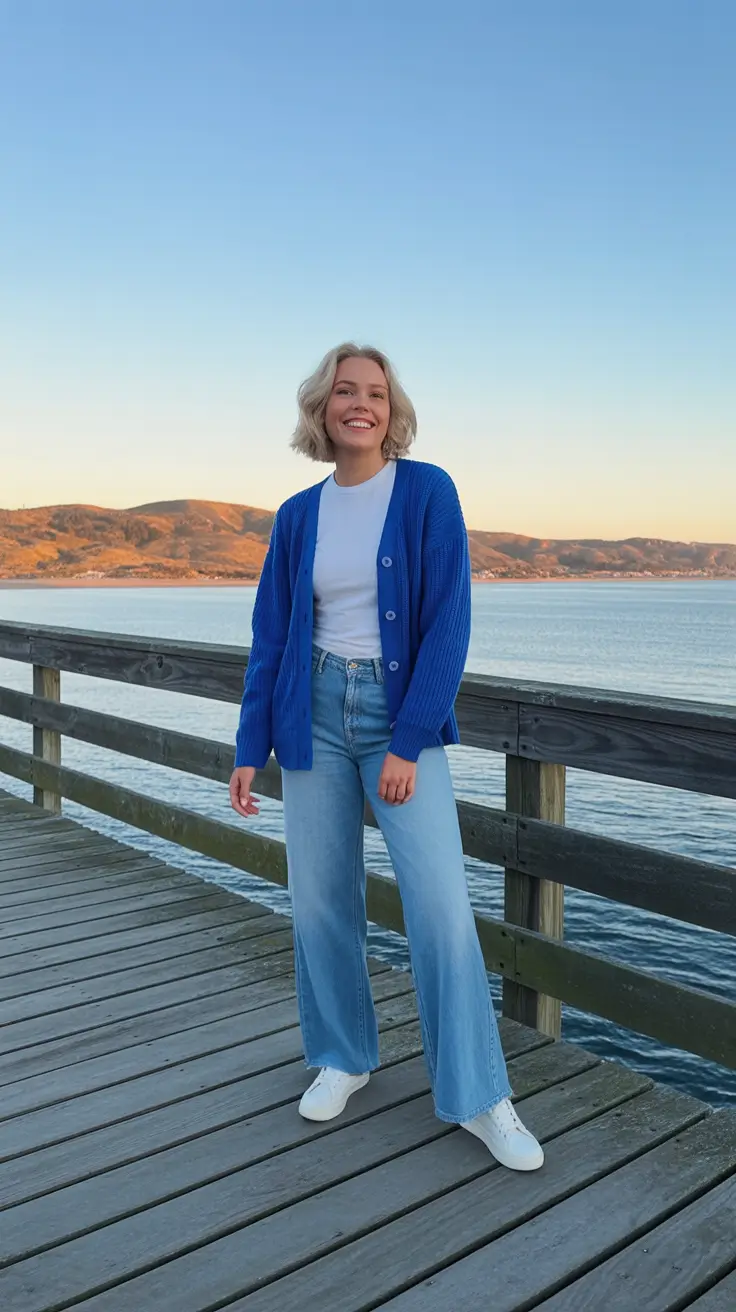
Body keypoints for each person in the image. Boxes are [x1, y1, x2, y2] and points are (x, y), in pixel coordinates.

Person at [229, 343, 543, 1171]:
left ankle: (481, 1097)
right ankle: (344, 1055)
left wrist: (408, 739)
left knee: (439, 908)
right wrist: (247, 745)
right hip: (314, 716)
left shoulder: (427, 491)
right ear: (321, 409)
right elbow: (271, 638)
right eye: (343, 391)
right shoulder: (299, 514)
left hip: (396, 719)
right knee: (320, 900)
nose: (358, 404)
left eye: (374, 392)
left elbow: (450, 623)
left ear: (391, 409)